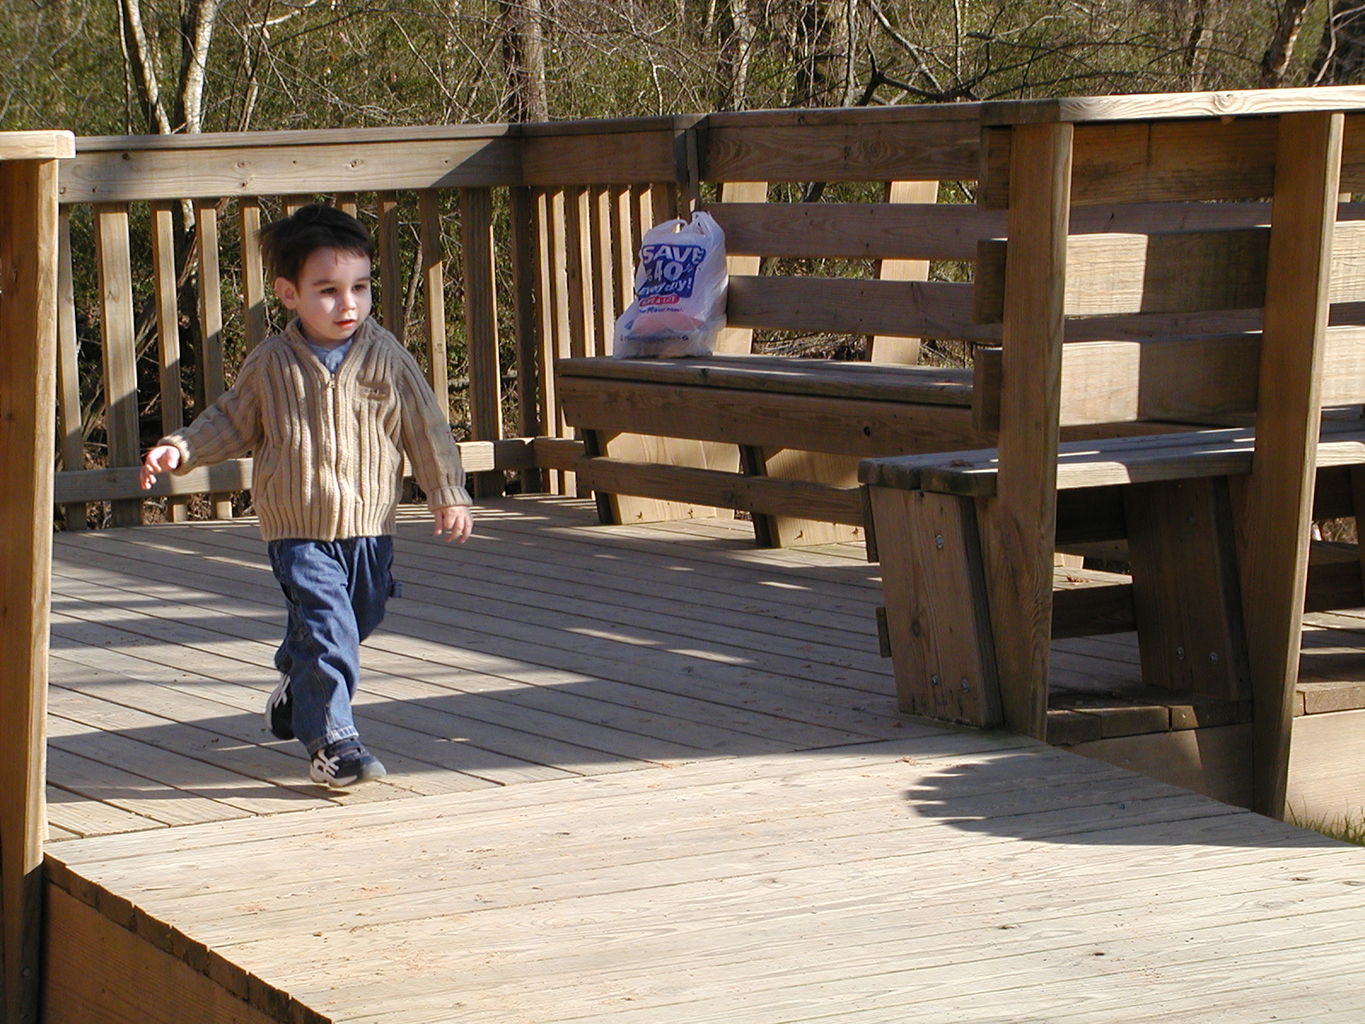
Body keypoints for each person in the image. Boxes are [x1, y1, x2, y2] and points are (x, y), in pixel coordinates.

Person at [140, 203, 473, 789]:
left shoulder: (386, 357)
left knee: (358, 618)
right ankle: (333, 745)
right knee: (327, 626)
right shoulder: (272, 363)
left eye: (360, 288)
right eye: (327, 290)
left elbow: (426, 428)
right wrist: (182, 449)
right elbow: (232, 420)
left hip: (370, 526)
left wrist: (446, 491)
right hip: (296, 526)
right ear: (288, 294)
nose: (348, 304)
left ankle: (297, 687)